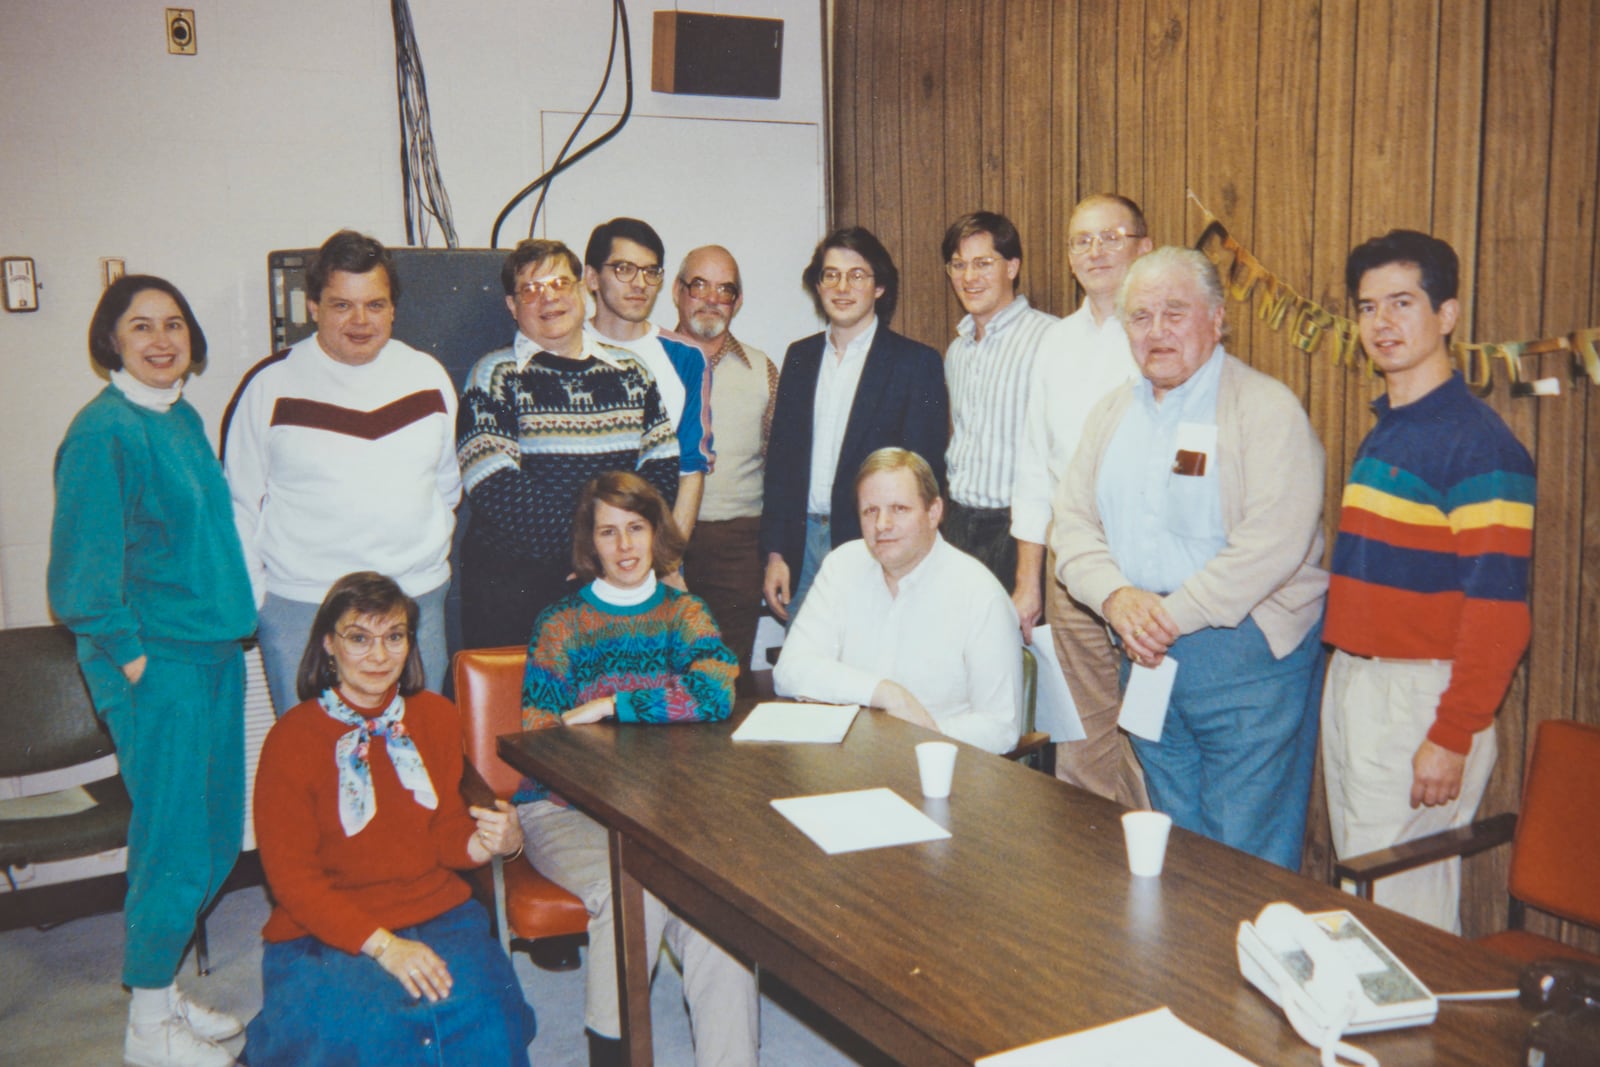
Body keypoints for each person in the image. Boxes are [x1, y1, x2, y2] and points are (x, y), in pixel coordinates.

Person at [1052, 247, 1329, 869]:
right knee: (1172, 838)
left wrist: (1170, 616)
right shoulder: (1111, 414)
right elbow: (1070, 523)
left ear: (1217, 319)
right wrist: (1117, 599)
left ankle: (1245, 964)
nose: (1157, 331)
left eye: (1175, 313)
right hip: (1143, 651)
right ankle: (1187, 965)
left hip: (1244, 654)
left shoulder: (1266, 409)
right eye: (1141, 317)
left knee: (1245, 846)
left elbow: (1274, 542)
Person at [48, 275, 257, 1067]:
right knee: (172, 842)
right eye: (142, 326)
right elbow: (80, 581)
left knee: (208, 839)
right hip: (158, 665)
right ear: (112, 337)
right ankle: (145, 1033)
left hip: (209, 655)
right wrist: (136, 661)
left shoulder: (179, 416)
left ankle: (163, 999)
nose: (162, 339)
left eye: (174, 324)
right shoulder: (104, 431)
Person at [1321, 230, 1535, 931]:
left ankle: (1407, 1048)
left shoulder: (1479, 443)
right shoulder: (1389, 427)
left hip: (1419, 700)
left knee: (1399, 921)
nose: (1381, 323)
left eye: (1402, 302)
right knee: (1365, 899)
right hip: (1356, 683)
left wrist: (1452, 732)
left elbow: (1499, 612)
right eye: (1367, 306)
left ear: (1446, 314)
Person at [514, 472, 757, 1067]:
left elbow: (715, 694)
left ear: (657, 534)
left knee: (716, 915)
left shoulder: (685, 613)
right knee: (634, 894)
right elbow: (540, 734)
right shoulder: (560, 623)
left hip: (667, 814)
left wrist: (612, 706)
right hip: (566, 809)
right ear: (590, 544)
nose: (623, 546)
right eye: (607, 532)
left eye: (636, 528)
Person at [244, 572, 535, 1065]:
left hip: (435, 906)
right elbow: (292, 881)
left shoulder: (436, 716)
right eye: (359, 638)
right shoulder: (291, 738)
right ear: (328, 645)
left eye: (394, 637)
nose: (379, 656)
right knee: (370, 1027)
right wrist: (387, 948)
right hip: (327, 924)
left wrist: (491, 843)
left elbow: (443, 830)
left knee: (481, 1015)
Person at [222, 230, 460, 714]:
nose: (360, 321)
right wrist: (258, 604)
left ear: (393, 308)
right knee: (314, 768)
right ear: (313, 306)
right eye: (341, 306)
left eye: (375, 305)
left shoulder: (429, 377)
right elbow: (239, 506)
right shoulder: (270, 387)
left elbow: (446, 486)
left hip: (413, 603)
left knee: (412, 761)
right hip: (304, 610)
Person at [457, 238, 678, 648]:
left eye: (559, 283)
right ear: (512, 305)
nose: (549, 298)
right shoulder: (493, 376)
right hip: (516, 594)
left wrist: (608, 557)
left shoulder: (632, 371)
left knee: (608, 705)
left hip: (613, 585)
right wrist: (592, 553)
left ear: (581, 289)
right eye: (531, 289)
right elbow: (495, 486)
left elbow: (660, 468)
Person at [1012, 193, 1153, 807]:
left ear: (1143, 248)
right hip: (1070, 570)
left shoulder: (1161, 334)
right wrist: (1028, 583)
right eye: (1080, 240)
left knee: (1150, 731)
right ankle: (1095, 872)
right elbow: (1032, 467)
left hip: (1147, 571)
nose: (1094, 251)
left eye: (1110, 237)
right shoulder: (1054, 343)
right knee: (1081, 735)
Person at [775, 448, 1022, 755]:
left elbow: (1001, 729)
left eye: (899, 509)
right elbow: (790, 670)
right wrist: (885, 693)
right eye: (870, 511)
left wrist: (916, 740)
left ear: (934, 513)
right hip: (850, 762)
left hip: (941, 772)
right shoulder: (842, 565)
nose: (882, 525)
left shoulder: (980, 595)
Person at [761, 226, 949, 623]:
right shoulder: (799, 358)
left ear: (879, 287)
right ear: (818, 284)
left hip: (877, 543)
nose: (842, 286)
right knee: (808, 672)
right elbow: (781, 464)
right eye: (831, 274)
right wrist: (777, 553)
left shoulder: (917, 364)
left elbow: (925, 471)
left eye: (857, 275)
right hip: (803, 544)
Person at [671, 245, 779, 690]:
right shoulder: (645, 360)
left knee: (723, 675)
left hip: (736, 543)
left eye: (725, 289)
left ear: (737, 302)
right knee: (658, 669)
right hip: (659, 541)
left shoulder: (762, 370)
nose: (712, 298)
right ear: (678, 292)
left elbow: (780, 465)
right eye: (699, 285)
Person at [938, 211, 1059, 601]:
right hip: (958, 524)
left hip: (1019, 533)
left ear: (1012, 266)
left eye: (983, 263)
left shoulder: (1050, 339)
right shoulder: (957, 350)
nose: (969, 277)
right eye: (959, 265)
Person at [584, 217, 713, 542]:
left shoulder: (686, 357)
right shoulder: (566, 348)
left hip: (654, 549)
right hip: (577, 551)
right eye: (624, 269)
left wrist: (670, 560)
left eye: (650, 271)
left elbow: (691, 467)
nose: (640, 283)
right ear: (591, 278)